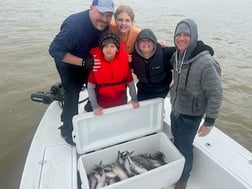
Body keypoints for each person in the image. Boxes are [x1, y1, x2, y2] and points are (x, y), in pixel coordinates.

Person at [48, 0, 115, 145]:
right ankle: (67, 130)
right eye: (101, 13)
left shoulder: (106, 24)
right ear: (91, 8)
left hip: (88, 60)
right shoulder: (75, 26)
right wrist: (83, 62)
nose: (104, 19)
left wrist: (151, 40)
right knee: (72, 93)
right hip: (67, 62)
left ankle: (89, 106)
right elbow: (54, 50)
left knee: (98, 84)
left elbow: (126, 26)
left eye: (108, 15)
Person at [169, 18, 223, 189]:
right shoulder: (177, 55)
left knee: (185, 148)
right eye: (178, 35)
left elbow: (216, 94)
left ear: (194, 37)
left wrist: (209, 122)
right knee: (176, 141)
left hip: (191, 116)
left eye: (186, 35)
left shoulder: (206, 63)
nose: (181, 38)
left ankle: (183, 180)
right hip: (175, 109)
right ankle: (175, 170)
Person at [87, 31, 139, 115]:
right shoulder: (96, 64)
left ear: (117, 49)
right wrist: (95, 106)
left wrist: (134, 99)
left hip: (121, 102)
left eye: (112, 46)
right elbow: (90, 87)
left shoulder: (124, 63)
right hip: (102, 105)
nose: (109, 49)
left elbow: (131, 83)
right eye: (105, 46)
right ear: (101, 48)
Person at [131, 28, 175, 101]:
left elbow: (183, 49)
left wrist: (199, 46)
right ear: (137, 43)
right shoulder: (133, 57)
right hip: (143, 90)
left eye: (149, 41)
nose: (146, 44)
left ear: (154, 42)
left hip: (161, 91)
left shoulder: (164, 53)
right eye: (142, 41)